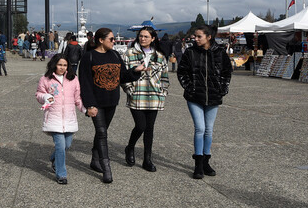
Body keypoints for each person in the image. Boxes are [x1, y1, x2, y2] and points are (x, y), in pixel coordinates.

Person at [79, 28, 145, 183]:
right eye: (111, 39)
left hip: (111, 101)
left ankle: (95, 159)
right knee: (102, 132)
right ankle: (106, 168)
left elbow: (123, 76)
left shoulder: (115, 55)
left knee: (102, 131)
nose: (114, 42)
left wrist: (135, 70)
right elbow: (85, 83)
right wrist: (89, 105)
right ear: (101, 40)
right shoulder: (89, 57)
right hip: (96, 103)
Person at [177, 25, 232, 179]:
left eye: (199, 36)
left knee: (209, 130)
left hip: (213, 97)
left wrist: (223, 88)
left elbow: (227, 72)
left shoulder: (220, 52)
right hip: (195, 97)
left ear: (209, 37)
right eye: (195, 36)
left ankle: (206, 161)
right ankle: (198, 163)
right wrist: (190, 88)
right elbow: (182, 72)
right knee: (200, 128)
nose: (195, 39)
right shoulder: (190, 52)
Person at [121, 27, 170, 172]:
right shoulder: (130, 53)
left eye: (146, 36)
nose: (142, 39)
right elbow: (123, 74)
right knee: (140, 126)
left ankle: (147, 159)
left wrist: (163, 91)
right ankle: (130, 148)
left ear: (153, 38)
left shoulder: (159, 56)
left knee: (150, 128)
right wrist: (129, 89)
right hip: (137, 95)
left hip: (154, 96)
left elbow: (165, 76)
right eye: (141, 36)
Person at [35, 54, 84, 184]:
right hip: (54, 118)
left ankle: (54, 158)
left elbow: (77, 98)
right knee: (61, 146)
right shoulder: (45, 79)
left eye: (65, 65)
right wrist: (44, 97)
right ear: (54, 64)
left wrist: (85, 109)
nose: (62, 68)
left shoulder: (73, 79)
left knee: (67, 145)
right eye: (59, 64)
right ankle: (61, 174)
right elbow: (38, 94)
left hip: (69, 119)